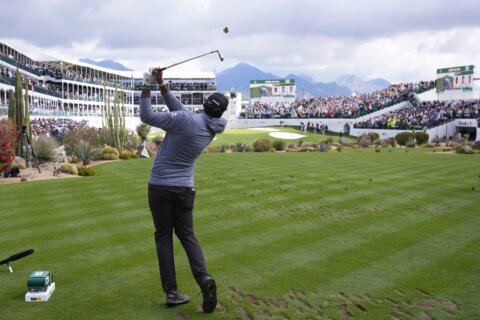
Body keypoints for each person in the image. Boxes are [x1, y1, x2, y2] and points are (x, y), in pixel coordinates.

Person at [140, 67, 228, 313]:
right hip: (185, 189)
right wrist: (162, 85)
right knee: (187, 236)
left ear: (205, 105)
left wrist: (147, 83)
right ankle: (204, 279)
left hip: (160, 187)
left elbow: (146, 115)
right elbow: (181, 111)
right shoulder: (209, 127)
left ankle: (172, 292)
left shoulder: (185, 120)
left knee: (163, 237)